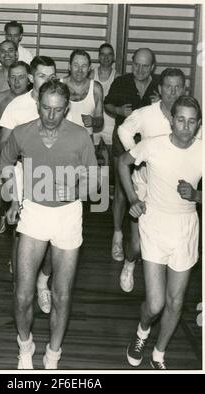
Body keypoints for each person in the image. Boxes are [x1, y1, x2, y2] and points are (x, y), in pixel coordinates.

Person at [0, 79, 98, 369]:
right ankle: (25, 346)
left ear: (66, 108)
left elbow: (94, 182)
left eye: (58, 109)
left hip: (68, 215)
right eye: (46, 108)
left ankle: (53, 354)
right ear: (38, 105)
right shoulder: (22, 133)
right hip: (34, 214)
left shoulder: (80, 137)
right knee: (21, 294)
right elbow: (6, 163)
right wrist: (13, 200)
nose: (51, 115)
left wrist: (77, 192)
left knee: (62, 295)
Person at [118, 95, 202, 370]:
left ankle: (158, 354)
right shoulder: (153, 145)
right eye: (180, 119)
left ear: (198, 124)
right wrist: (132, 199)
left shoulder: (202, 151)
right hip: (154, 225)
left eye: (192, 121)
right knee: (154, 304)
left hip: (185, 229)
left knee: (175, 302)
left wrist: (197, 195)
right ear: (171, 120)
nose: (185, 127)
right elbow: (122, 162)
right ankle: (142, 333)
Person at [117, 68, 186, 292]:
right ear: (159, 88)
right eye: (168, 86)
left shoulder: (189, 117)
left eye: (177, 87)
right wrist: (137, 157)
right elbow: (123, 130)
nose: (172, 92)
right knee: (137, 245)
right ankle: (129, 264)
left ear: (184, 89)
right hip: (145, 186)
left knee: (171, 244)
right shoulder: (146, 113)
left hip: (174, 192)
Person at [0, 56, 57, 314]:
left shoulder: (61, 103)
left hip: (53, 177)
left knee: (54, 239)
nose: (49, 80)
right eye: (43, 75)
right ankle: (20, 285)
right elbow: (3, 148)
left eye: (53, 75)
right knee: (21, 233)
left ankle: (43, 281)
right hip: (23, 174)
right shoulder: (17, 106)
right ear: (32, 77)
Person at [104, 47, 159, 262]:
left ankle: (146, 237)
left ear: (152, 67)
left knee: (150, 191)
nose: (140, 69)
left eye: (145, 66)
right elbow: (108, 104)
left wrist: (160, 104)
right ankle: (117, 235)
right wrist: (118, 112)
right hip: (123, 144)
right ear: (132, 63)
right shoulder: (122, 82)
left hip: (151, 147)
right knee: (121, 191)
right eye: (136, 64)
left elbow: (173, 109)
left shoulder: (159, 86)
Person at [0, 61, 30, 249]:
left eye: (21, 76)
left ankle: (18, 257)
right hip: (1, 152)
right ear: (8, 79)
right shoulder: (0, 99)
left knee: (22, 213)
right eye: (13, 77)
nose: (17, 81)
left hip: (25, 159)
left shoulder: (37, 102)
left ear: (29, 79)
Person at [90, 43, 119, 171]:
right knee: (90, 157)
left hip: (111, 121)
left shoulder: (118, 77)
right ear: (99, 57)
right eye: (103, 54)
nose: (106, 57)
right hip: (94, 120)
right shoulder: (91, 74)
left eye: (109, 55)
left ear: (113, 58)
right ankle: (92, 186)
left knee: (114, 160)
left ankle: (110, 185)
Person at [62, 49, 104, 137]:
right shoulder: (59, 86)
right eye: (76, 65)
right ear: (69, 66)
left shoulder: (96, 88)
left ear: (89, 68)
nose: (79, 70)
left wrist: (93, 121)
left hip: (86, 140)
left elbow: (100, 119)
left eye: (84, 66)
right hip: (62, 139)